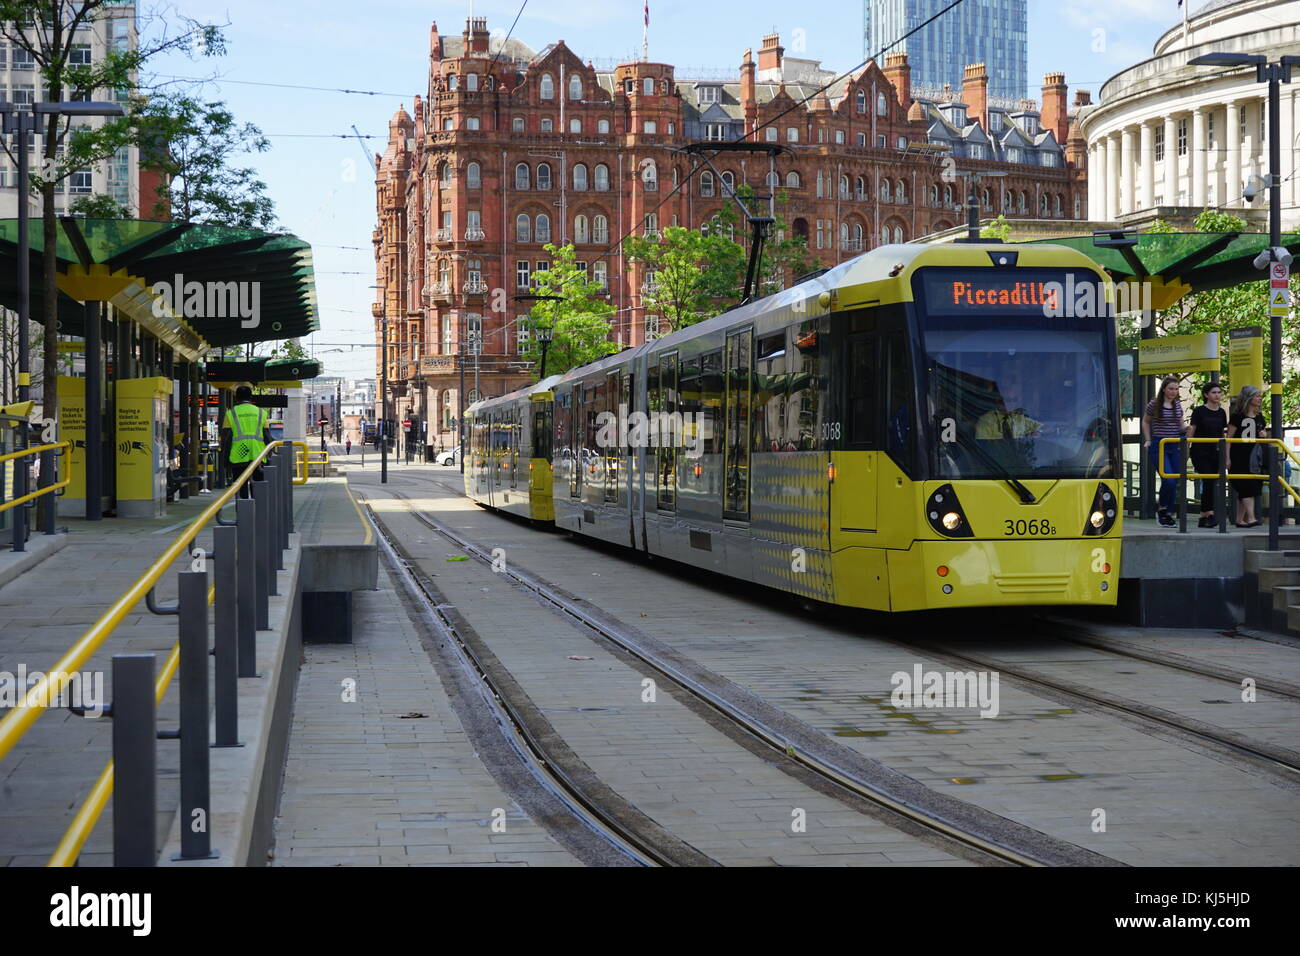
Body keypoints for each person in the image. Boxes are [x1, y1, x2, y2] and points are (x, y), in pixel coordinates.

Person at [1142, 376, 1186, 527]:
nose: (1174, 392)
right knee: (1168, 479)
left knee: (1174, 480)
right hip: (1159, 444)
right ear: (1164, 389)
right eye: (1171, 389)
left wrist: (1188, 429)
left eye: (1176, 389)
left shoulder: (1177, 405)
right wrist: (1148, 439)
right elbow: (1145, 421)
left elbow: (1181, 426)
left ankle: (1166, 511)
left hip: (1174, 444)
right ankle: (1162, 509)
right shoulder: (1154, 404)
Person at [1186, 382, 1228, 528]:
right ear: (1206, 395)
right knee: (1208, 478)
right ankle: (1208, 513)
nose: (1217, 395)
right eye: (1214, 392)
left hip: (1215, 451)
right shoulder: (1199, 411)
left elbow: (1222, 432)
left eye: (1219, 392)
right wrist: (1187, 448)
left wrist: (1224, 452)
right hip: (1199, 451)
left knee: (1211, 482)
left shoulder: (1222, 412)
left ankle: (1204, 515)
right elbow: (1192, 429)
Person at [220, 385, 271, 499]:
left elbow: (225, 439)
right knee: (258, 488)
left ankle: (242, 515)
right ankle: (258, 513)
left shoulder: (230, 414)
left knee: (240, 489)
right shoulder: (261, 413)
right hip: (258, 456)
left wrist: (225, 461)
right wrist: (269, 457)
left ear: (236, 398)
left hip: (238, 457)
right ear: (251, 397)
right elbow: (267, 437)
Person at [1227, 384, 1266, 527]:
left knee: (1249, 487)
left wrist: (1263, 435)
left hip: (1254, 457)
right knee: (1246, 486)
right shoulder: (1237, 417)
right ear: (1248, 398)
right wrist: (1227, 458)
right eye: (1256, 396)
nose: (1259, 398)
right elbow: (1229, 439)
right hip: (1239, 456)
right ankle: (1251, 517)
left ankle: (1239, 520)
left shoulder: (1259, 417)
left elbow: (1262, 436)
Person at [976, 381, 1042, 440]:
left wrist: (1038, 432)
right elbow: (985, 445)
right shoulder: (986, 420)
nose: (1012, 403)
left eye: (1014, 400)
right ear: (998, 400)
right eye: (1008, 400)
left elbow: (1044, 428)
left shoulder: (1020, 418)